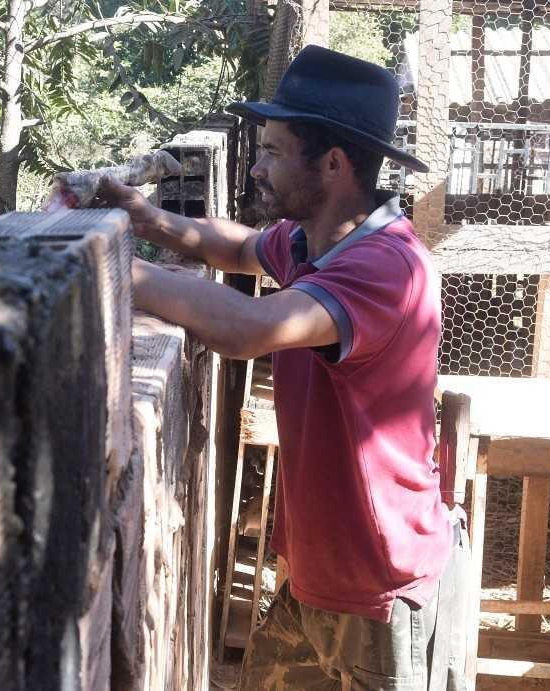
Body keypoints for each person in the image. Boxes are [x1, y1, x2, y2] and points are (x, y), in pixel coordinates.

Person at [90, 46, 469, 690]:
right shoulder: (313, 239)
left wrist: (103, 265)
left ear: (333, 163)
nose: (258, 167)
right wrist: (137, 214)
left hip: (380, 585)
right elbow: (236, 247)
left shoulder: (385, 267)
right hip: (319, 567)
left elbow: (249, 329)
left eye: (272, 150)